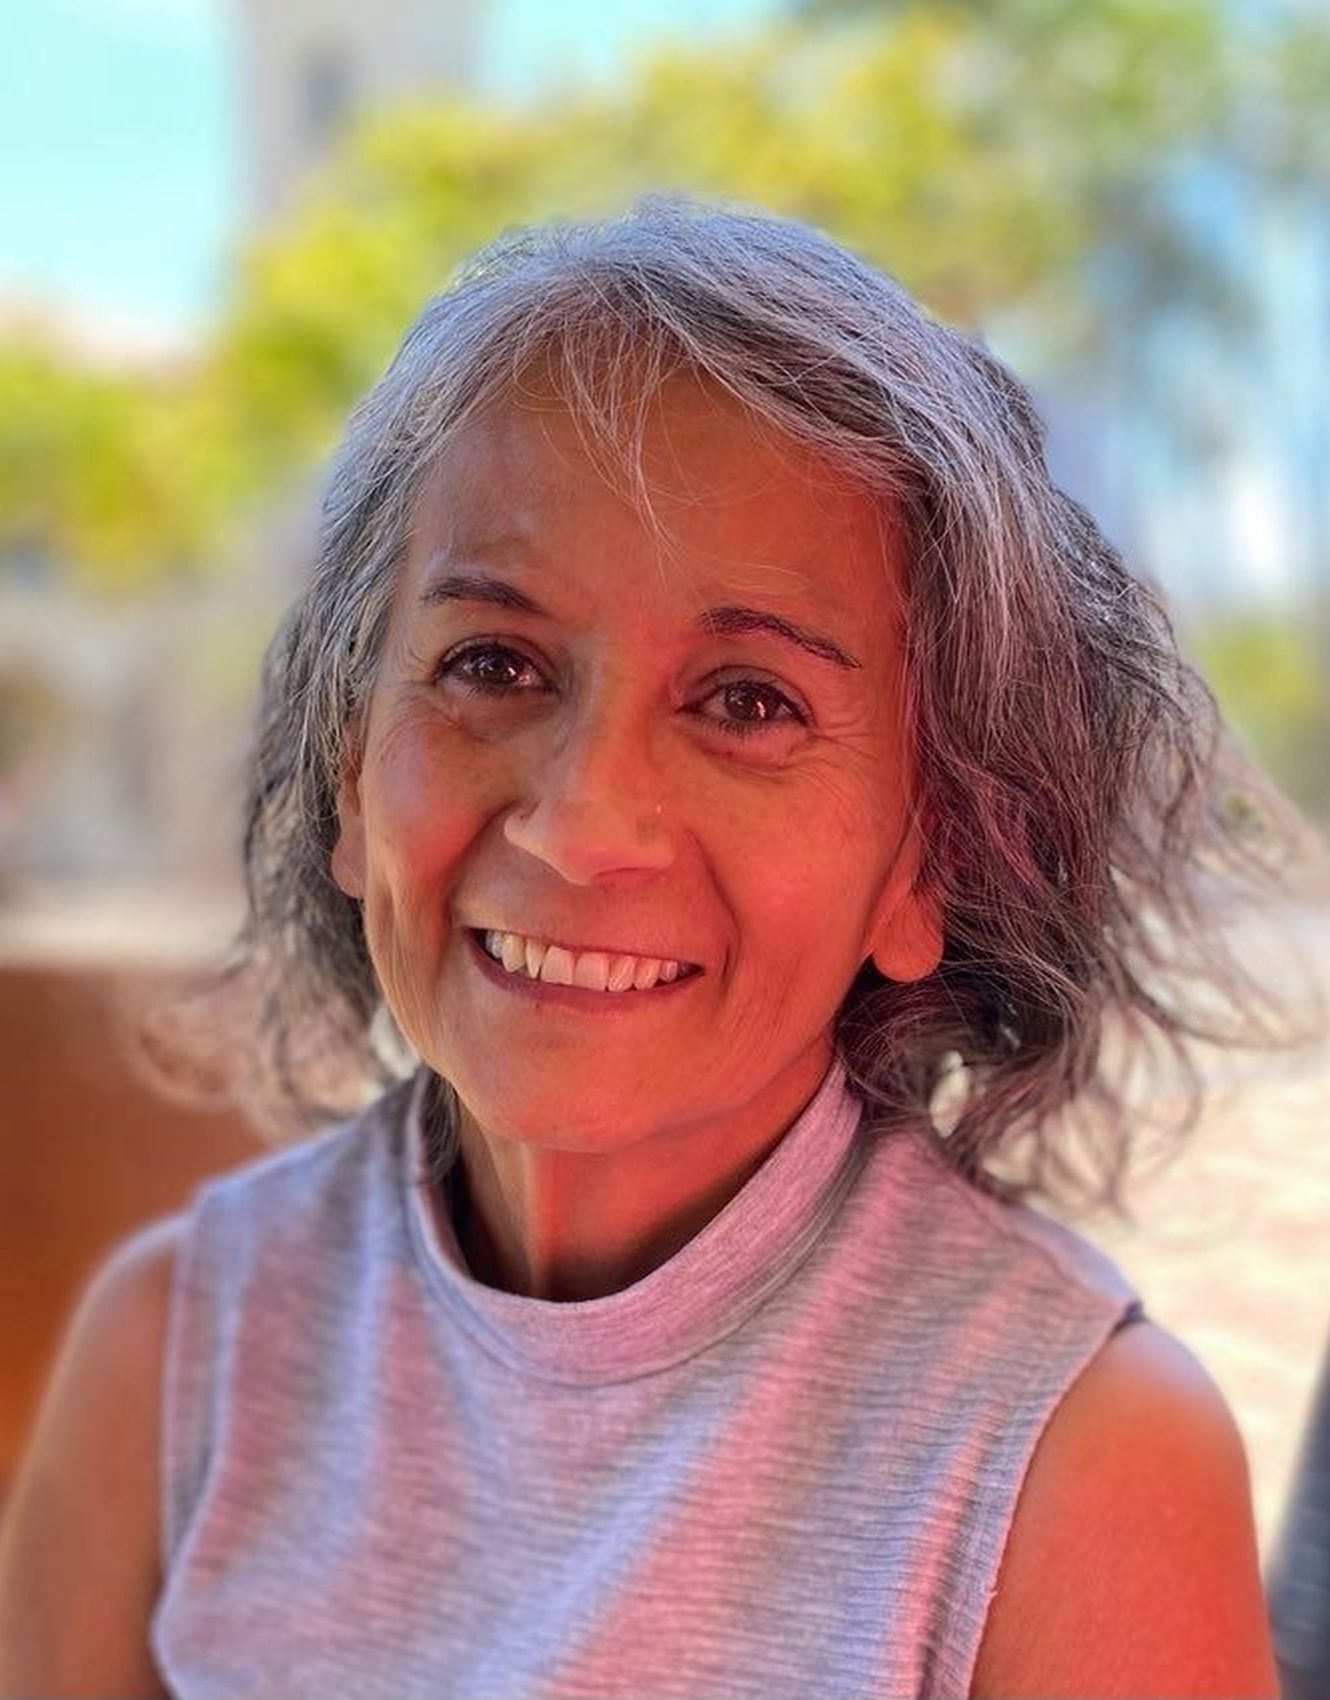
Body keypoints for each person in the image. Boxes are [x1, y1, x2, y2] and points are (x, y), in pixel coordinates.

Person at [0, 198, 1296, 1697]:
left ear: (927, 860)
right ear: (350, 772)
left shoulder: (1073, 1465)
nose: (578, 822)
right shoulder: (172, 1358)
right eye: (493, 664)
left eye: (747, 702)